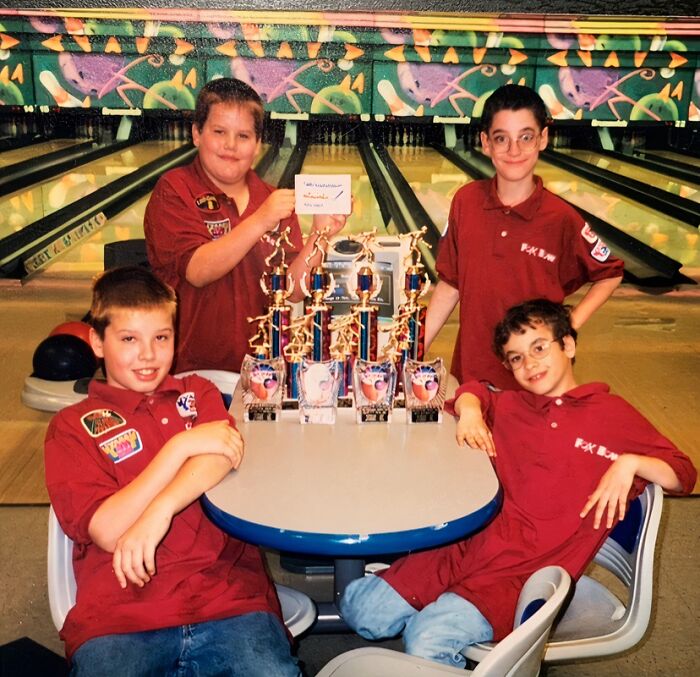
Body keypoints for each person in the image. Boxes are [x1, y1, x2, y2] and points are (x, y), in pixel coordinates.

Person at [340, 299, 696, 669]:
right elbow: (474, 389)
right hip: (464, 545)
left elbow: (683, 475)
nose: (529, 364)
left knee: (427, 637)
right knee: (361, 610)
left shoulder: (613, 415)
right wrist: (472, 411)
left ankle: (445, 626)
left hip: (521, 574)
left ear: (568, 345)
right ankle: (432, 606)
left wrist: (631, 462)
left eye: (539, 348)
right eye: (516, 358)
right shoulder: (513, 405)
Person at [44, 266, 301, 676]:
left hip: (227, 601)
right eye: (129, 339)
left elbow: (223, 451)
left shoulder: (196, 393)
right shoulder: (73, 426)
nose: (148, 355)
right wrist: (179, 447)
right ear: (96, 341)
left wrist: (158, 512)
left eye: (161, 338)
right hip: (120, 616)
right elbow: (108, 531)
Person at [424, 84, 624, 390]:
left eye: (526, 137)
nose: (514, 151)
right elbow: (451, 284)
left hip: (538, 384)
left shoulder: (560, 218)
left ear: (543, 139)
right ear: (485, 143)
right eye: (502, 139)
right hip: (473, 379)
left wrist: (567, 327)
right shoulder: (466, 201)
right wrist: (413, 349)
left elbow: (610, 272)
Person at [144, 77, 347, 374]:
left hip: (262, 371)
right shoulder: (175, 189)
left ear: (257, 143)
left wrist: (321, 235)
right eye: (219, 132)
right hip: (189, 372)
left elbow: (291, 290)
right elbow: (198, 271)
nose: (230, 145)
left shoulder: (271, 199)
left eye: (243, 136)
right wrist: (262, 218)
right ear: (197, 133)